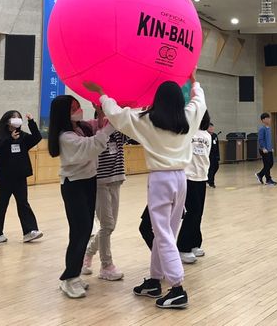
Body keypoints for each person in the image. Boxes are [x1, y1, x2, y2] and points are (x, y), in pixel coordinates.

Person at [84, 74, 206, 310]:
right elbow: (199, 99)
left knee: (162, 233)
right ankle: (154, 280)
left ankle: (177, 288)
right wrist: (194, 81)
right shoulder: (189, 116)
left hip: (161, 180)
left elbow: (117, 114)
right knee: (167, 231)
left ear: (157, 100)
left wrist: (101, 92)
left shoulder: (147, 120)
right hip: (181, 179)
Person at [48, 96, 116, 299]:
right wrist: (111, 127)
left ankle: (74, 275)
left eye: (78, 106)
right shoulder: (65, 137)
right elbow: (91, 146)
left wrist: (102, 111)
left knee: (85, 231)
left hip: (89, 182)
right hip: (74, 185)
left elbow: (98, 126)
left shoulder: (81, 128)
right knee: (79, 231)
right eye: (74, 108)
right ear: (64, 113)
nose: (79, 111)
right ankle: (69, 278)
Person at [82, 105, 126, 282]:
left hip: (116, 181)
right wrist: (100, 114)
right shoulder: (94, 135)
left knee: (110, 226)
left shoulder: (120, 133)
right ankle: (106, 265)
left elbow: (132, 123)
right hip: (100, 183)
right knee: (107, 225)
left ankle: (87, 253)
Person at [0, 111, 43, 244]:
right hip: (5, 177)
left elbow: (37, 137)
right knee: (2, 203)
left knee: (23, 203)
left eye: (18, 117)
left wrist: (31, 122)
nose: (17, 119)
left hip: (20, 176)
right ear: (7, 121)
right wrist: (9, 139)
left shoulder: (22, 136)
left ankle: (30, 231)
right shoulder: (2, 136)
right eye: (14, 117)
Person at [177, 111, 212, 264]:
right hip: (188, 177)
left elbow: (205, 156)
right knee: (192, 212)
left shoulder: (207, 135)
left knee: (199, 213)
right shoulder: (186, 132)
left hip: (201, 177)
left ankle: (194, 243)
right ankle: (183, 247)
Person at [256, 112, 276, 186]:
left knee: (271, 164)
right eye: (267, 118)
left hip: (269, 150)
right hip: (264, 150)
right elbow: (260, 139)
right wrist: (263, 148)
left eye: (269, 118)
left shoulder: (269, 128)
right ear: (263, 120)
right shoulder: (262, 129)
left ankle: (260, 175)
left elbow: (268, 140)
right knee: (267, 165)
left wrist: (271, 147)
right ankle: (268, 179)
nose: (269, 119)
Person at [207, 121, 220, 188]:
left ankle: (208, 179)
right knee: (211, 169)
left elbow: (217, 146)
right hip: (209, 155)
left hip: (215, 155)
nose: (211, 128)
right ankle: (211, 182)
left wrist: (218, 156)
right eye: (210, 127)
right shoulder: (206, 136)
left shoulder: (215, 135)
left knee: (216, 167)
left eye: (212, 127)